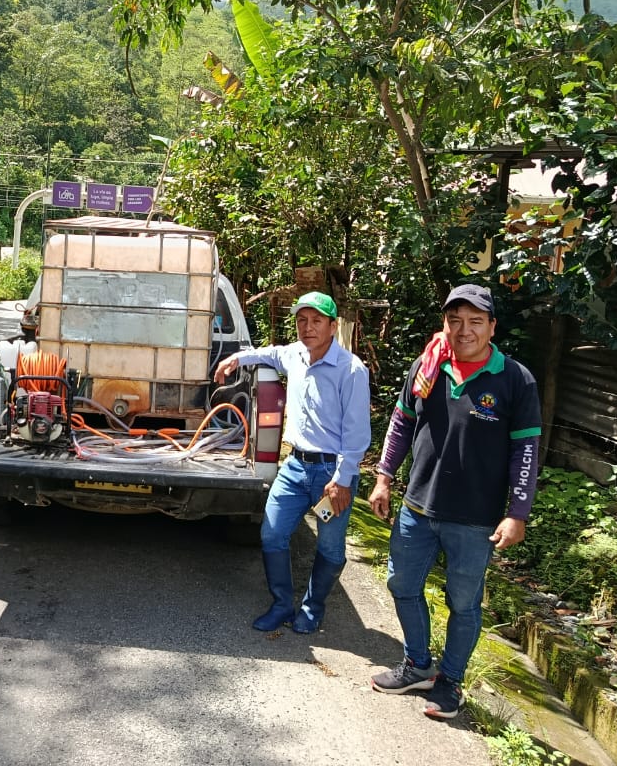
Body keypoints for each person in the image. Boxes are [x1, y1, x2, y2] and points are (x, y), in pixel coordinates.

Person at [368, 283, 542, 719]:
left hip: (475, 519)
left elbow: (525, 450)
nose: (464, 330)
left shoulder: (515, 379)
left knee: (463, 602)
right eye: (455, 320)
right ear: (445, 323)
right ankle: (417, 665)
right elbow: (401, 424)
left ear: (492, 326)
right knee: (402, 585)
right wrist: (384, 479)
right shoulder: (427, 367)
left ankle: (450, 681)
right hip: (418, 506)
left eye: (475, 321)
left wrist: (517, 513)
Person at [214, 291, 371, 634]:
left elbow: (357, 434)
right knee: (272, 534)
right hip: (295, 467)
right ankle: (282, 604)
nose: (308, 327)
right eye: (302, 320)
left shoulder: (351, 370)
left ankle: (312, 610)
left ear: (333, 326)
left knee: (330, 548)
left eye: (316, 321)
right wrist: (236, 359)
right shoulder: (295, 355)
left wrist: (343, 480)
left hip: (332, 474)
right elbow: (269, 353)